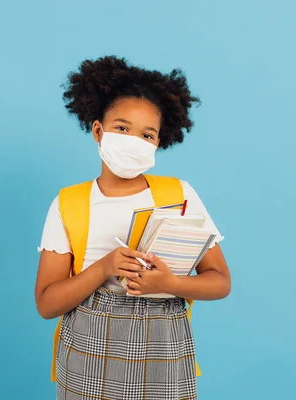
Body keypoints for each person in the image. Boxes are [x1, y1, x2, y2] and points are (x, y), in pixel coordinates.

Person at [35, 55, 231, 400]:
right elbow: (47, 304)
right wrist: (103, 268)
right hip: (89, 345)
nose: (133, 140)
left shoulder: (180, 195)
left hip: (164, 342)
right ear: (98, 130)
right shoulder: (68, 204)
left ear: (158, 142)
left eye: (147, 134)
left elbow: (220, 281)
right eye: (122, 128)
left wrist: (169, 283)